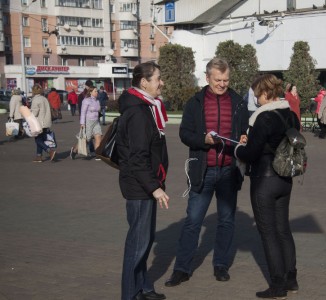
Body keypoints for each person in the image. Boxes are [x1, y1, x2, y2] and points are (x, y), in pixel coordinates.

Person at [165, 58, 248, 287]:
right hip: (203, 170)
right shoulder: (195, 103)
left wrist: (244, 137)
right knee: (192, 221)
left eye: (226, 80)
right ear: (207, 77)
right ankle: (182, 268)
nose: (222, 84)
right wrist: (203, 140)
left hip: (229, 171)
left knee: (226, 221)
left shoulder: (239, 102)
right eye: (218, 80)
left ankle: (221, 265)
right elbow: (184, 134)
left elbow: (244, 131)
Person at [234, 74, 300, 299]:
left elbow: (251, 153)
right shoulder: (290, 115)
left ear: (264, 93)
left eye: (256, 94)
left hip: (264, 179)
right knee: (283, 229)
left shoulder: (263, 118)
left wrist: (238, 149)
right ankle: (292, 279)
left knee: (268, 232)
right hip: (285, 179)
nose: (255, 99)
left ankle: (277, 285)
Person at [116, 61, 169, 300]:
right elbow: (138, 158)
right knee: (137, 245)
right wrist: (155, 189)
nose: (162, 83)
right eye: (158, 78)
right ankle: (129, 294)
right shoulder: (138, 112)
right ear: (143, 82)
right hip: (140, 188)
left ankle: (143, 289)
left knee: (145, 241)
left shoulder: (148, 107)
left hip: (145, 184)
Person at [70, 86, 102, 159]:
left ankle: (97, 154)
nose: (97, 92)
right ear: (90, 92)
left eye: (97, 91)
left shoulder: (97, 101)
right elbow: (83, 112)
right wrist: (82, 123)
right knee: (86, 139)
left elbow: (98, 111)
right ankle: (74, 150)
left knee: (98, 136)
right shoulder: (86, 100)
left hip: (96, 121)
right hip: (88, 121)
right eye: (95, 91)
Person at [30, 84, 56, 162]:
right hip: (46, 122)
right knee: (41, 139)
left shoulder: (36, 99)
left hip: (39, 122)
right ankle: (39, 156)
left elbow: (34, 113)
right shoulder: (44, 98)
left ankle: (49, 151)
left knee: (38, 140)